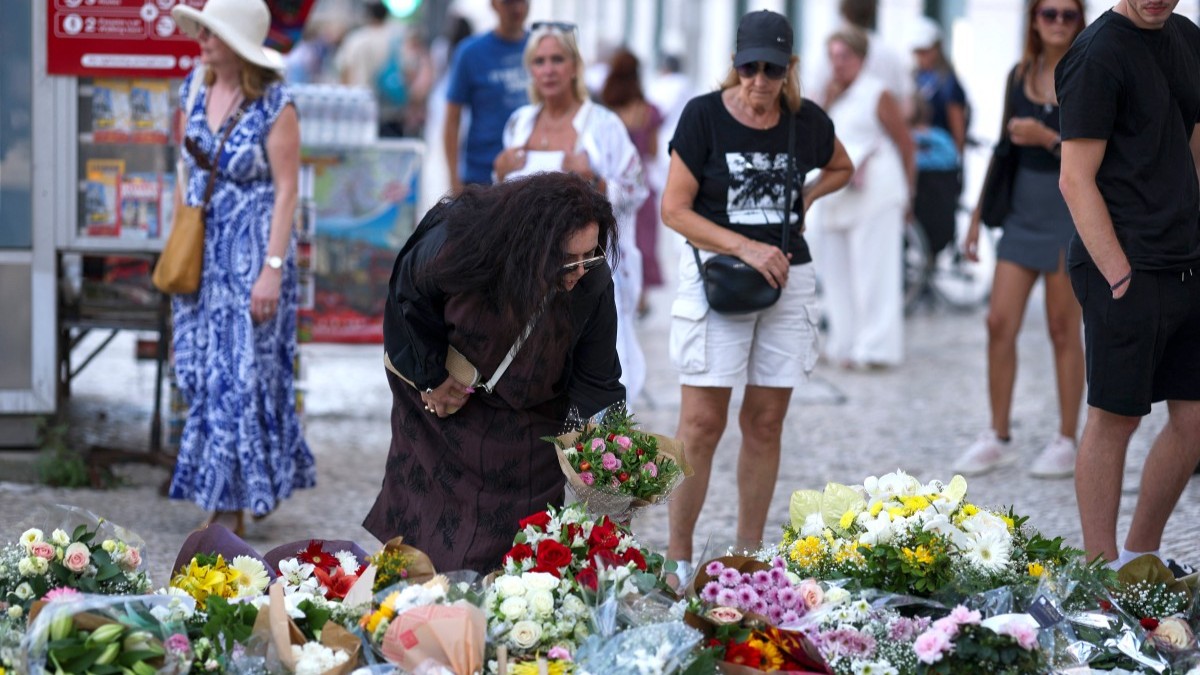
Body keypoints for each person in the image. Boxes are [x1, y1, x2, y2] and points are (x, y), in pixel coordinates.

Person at [663, 10, 853, 577]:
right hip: (718, 278)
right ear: (735, 66)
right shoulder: (702, 117)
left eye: (772, 69)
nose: (760, 81)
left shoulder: (806, 121)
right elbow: (674, 209)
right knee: (700, 423)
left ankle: (748, 554)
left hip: (788, 281)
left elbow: (841, 166)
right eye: (750, 68)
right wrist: (746, 247)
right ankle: (676, 558)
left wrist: (807, 201)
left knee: (766, 422)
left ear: (789, 69)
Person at [363, 173, 626, 572]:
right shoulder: (460, 241)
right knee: (427, 538)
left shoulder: (592, 280)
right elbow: (408, 296)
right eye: (565, 260)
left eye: (588, 256)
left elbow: (597, 378)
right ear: (532, 246)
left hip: (529, 424)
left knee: (516, 554)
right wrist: (430, 377)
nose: (577, 272)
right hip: (448, 407)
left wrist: (605, 464)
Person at [1056, 0, 1200, 569]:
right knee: (1116, 416)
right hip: (1124, 266)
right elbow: (1075, 178)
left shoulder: (1188, 38)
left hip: (1187, 258)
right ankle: (1099, 571)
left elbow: (1191, 141)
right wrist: (1119, 272)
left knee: (1194, 420)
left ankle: (1141, 556)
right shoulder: (1096, 55)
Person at [168, 0, 314, 536]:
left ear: (240, 44)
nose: (203, 40)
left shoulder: (276, 103)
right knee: (203, 372)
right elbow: (185, 167)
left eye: (214, 32)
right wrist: (180, 234)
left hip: (254, 255)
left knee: (244, 376)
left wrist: (272, 267)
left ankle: (228, 504)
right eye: (202, 30)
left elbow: (287, 191)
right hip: (202, 255)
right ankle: (240, 488)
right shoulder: (191, 87)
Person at [953, 0, 1087, 479]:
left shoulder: (1090, 71)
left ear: (1080, 20)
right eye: (1047, 13)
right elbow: (1003, 148)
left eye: (1067, 14)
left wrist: (1045, 136)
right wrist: (976, 219)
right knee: (997, 321)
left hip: (1068, 210)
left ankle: (1067, 438)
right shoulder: (1019, 74)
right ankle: (997, 433)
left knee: (1061, 327)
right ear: (1033, 19)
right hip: (1021, 211)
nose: (1056, 22)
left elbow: (1098, 148)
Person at [492, 24, 649, 405]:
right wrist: (499, 173)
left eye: (557, 60)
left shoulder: (602, 125)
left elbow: (637, 189)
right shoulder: (519, 124)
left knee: (597, 375)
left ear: (574, 66)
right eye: (539, 61)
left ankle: (600, 456)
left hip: (588, 277)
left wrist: (595, 178)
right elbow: (501, 208)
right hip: (526, 278)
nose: (548, 70)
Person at [809, 28, 915, 370]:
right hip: (837, 191)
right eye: (833, 57)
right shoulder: (832, 93)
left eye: (845, 57)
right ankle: (844, 341)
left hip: (876, 191)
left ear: (861, 59)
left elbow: (904, 142)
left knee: (874, 272)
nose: (838, 64)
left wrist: (909, 194)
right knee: (835, 270)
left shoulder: (877, 92)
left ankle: (876, 347)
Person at [600, 48, 665, 317]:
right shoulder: (648, 111)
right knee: (643, 242)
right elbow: (651, 151)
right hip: (640, 186)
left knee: (612, 242)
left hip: (609, 187)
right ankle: (639, 300)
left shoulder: (604, 110)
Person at [443, 0, 529, 193]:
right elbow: (451, 119)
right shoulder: (470, 53)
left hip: (531, 174)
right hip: (481, 176)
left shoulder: (541, 50)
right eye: (508, 2)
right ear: (494, 5)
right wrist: (453, 181)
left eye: (523, 1)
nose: (517, 8)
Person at [910, 16, 969, 256]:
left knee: (935, 220)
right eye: (918, 52)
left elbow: (957, 126)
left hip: (939, 163)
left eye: (925, 51)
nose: (921, 57)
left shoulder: (948, 82)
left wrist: (957, 158)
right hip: (917, 159)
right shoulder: (913, 77)